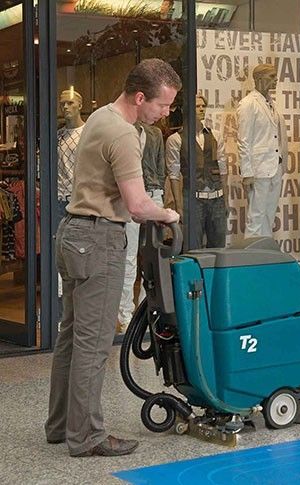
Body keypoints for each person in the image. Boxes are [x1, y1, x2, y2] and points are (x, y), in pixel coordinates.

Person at [44, 58, 181, 457]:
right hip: (98, 240)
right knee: (93, 344)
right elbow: (138, 205)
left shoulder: (100, 116)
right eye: (163, 105)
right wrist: (168, 213)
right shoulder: (123, 134)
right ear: (141, 98)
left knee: (70, 337)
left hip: (72, 234)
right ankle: (86, 436)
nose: (166, 113)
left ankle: (60, 426)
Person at [117, 121, 166, 334]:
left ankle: (148, 312)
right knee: (129, 256)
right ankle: (125, 315)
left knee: (153, 258)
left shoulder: (154, 133)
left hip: (153, 192)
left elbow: (160, 165)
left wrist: (160, 191)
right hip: (131, 195)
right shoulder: (124, 130)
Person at [166, 94, 228, 248]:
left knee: (219, 245)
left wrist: (225, 199)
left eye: (203, 106)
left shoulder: (215, 135)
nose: (201, 109)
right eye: (197, 106)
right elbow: (174, 174)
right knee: (193, 245)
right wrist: (179, 206)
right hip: (193, 199)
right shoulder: (176, 139)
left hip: (216, 197)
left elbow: (223, 169)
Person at [237, 63, 288, 238]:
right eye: (271, 76)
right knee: (256, 216)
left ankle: (265, 255)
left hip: (274, 166)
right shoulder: (248, 104)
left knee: (268, 215)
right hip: (258, 169)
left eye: (276, 76)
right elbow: (243, 140)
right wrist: (247, 173)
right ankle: (251, 258)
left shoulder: (271, 104)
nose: (276, 80)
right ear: (259, 78)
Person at [57, 89, 85, 217]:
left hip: (78, 198)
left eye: (70, 103)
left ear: (80, 105)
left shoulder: (87, 133)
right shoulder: (57, 135)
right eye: (62, 104)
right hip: (57, 197)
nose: (65, 107)